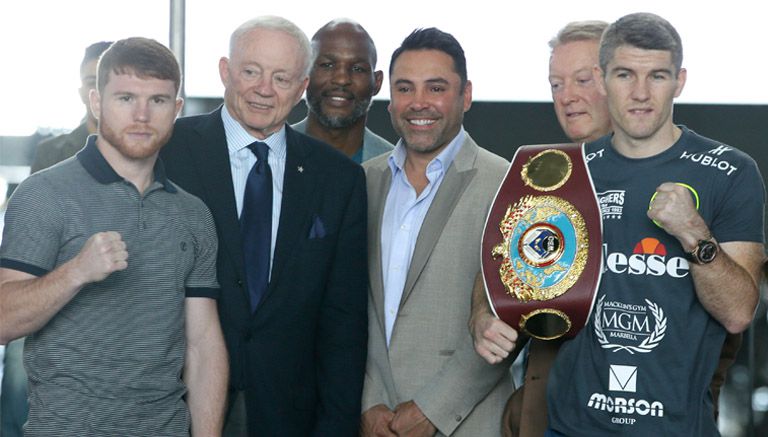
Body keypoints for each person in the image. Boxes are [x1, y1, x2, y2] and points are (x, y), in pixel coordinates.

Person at [470, 19, 748, 436]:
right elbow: (502, 265)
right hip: (546, 417)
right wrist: (481, 315)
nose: (567, 97)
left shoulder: (708, 174)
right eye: (556, 84)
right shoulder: (552, 174)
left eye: (582, 79)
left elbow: (730, 318)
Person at [0, 37, 228, 436]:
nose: (142, 115)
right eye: (125, 98)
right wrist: (76, 272)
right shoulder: (43, 194)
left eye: (157, 101)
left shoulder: (193, 214)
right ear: (96, 102)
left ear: (176, 109)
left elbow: (203, 345)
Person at [160, 16, 368, 436]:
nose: (264, 89)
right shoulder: (168, 150)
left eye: (281, 77)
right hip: (172, 407)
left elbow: (343, 324)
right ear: (225, 71)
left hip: (290, 414)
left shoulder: (338, 179)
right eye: (251, 71)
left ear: (302, 87)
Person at [360, 27, 513, 437]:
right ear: (390, 99)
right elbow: (348, 308)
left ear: (465, 96)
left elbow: (506, 319)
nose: (419, 103)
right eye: (405, 88)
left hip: (467, 422)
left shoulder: (508, 185)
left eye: (436, 87)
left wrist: (433, 410)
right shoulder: (362, 182)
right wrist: (367, 402)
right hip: (372, 423)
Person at [1, 40, 113, 437]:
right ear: (83, 89)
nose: (96, 90)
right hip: (47, 285)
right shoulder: (53, 152)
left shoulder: (154, 153)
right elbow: (30, 239)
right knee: (17, 374)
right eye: (89, 80)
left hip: (111, 295)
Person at [292, 18, 394, 163]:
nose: (341, 79)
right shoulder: (267, 153)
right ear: (304, 74)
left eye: (357, 68)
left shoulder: (396, 168)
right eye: (327, 65)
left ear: (377, 82)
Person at [30, 41, 113, 173]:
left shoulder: (152, 150)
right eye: (92, 82)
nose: (99, 92)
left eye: (108, 82)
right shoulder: (50, 154)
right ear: (81, 93)